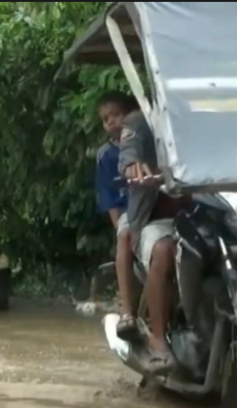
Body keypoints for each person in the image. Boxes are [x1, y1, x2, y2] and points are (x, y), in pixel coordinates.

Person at [119, 108, 190, 375]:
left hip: (209, 212)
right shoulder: (140, 120)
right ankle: (158, 340)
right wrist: (131, 165)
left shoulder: (206, 111)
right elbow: (129, 149)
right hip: (156, 219)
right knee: (163, 249)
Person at [93, 91, 141, 341]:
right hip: (126, 211)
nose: (111, 121)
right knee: (124, 237)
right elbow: (107, 195)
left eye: (115, 115)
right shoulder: (105, 155)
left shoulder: (145, 140)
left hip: (152, 204)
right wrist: (116, 224)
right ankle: (127, 310)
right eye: (105, 118)